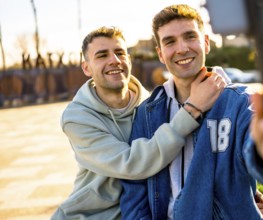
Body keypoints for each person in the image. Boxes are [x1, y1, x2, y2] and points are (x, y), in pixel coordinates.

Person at [120, 4, 263, 219]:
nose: (181, 48)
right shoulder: (147, 112)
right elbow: (135, 188)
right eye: (170, 41)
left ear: (205, 43)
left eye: (190, 36)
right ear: (160, 54)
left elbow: (262, 147)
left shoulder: (241, 101)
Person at [50, 26, 230, 220]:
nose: (114, 60)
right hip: (91, 215)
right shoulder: (77, 118)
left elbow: (188, 156)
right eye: (102, 55)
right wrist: (191, 110)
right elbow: (132, 164)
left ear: (128, 60)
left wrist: (235, 192)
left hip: (141, 210)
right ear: (87, 68)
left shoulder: (151, 105)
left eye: (120, 53)